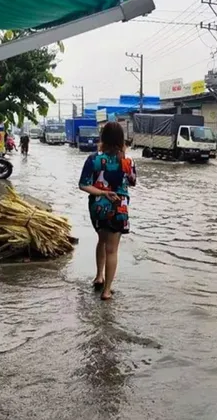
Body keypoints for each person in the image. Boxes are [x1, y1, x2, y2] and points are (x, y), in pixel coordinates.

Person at [78, 122, 136, 300]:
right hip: (118, 207)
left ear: (102, 137)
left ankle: (99, 276)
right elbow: (132, 181)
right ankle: (107, 291)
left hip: (98, 207)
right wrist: (123, 158)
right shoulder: (127, 161)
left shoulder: (93, 159)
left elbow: (83, 185)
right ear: (121, 139)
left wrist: (102, 192)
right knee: (112, 249)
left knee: (101, 240)